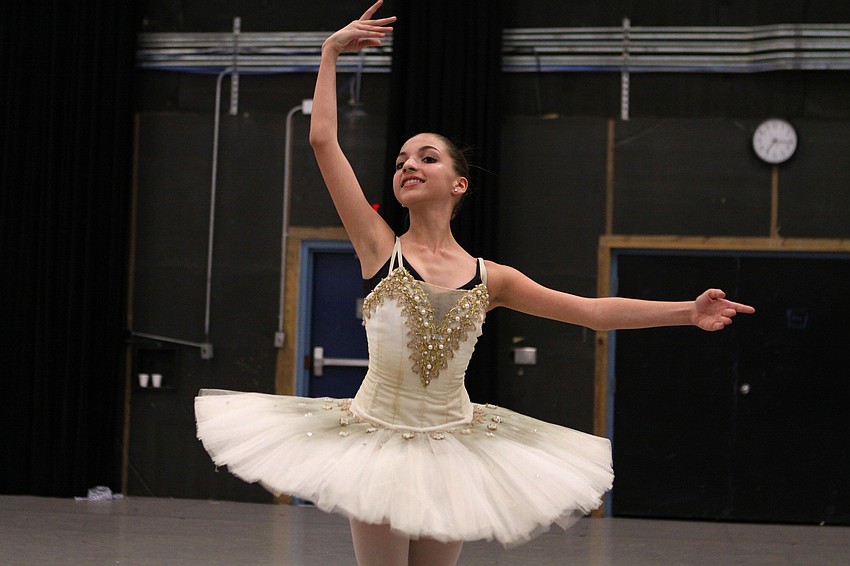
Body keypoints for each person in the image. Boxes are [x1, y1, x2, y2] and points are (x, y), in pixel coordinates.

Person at [195, 2, 755, 565]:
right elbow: (322, 142)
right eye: (400, 160)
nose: (408, 165)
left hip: (455, 446)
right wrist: (330, 53)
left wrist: (686, 311)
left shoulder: (493, 279)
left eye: (426, 157)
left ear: (458, 183)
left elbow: (590, 311)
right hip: (377, 441)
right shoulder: (378, 248)